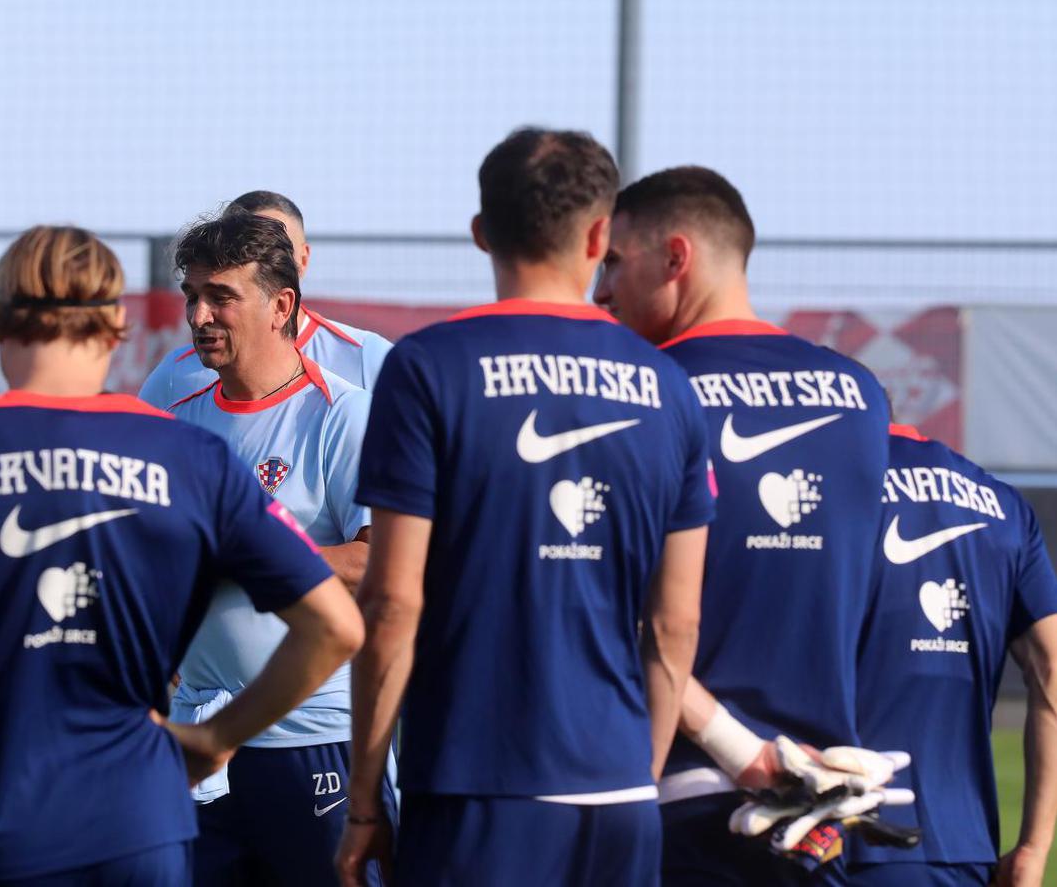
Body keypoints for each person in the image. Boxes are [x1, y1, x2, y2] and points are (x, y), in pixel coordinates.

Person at [0, 225, 363, 886]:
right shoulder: (190, 455)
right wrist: (215, 740)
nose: (198, 314)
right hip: (138, 826)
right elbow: (336, 624)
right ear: (116, 328)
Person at [338, 128, 713, 886]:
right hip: (616, 791)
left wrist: (366, 803)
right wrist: (635, 775)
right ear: (600, 234)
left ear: (481, 233)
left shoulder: (426, 368)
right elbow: (676, 621)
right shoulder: (668, 385)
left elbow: (391, 603)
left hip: (472, 783)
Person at [594, 166, 890, 884]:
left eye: (612, 263)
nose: (599, 291)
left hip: (681, 795)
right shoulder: (862, 395)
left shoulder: (642, 389)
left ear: (675, 257)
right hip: (823, 803)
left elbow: (620, 608)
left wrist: (737, 748)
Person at [148, 209, 382, 885]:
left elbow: (374, 562)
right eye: (192, 295)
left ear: (281, 305)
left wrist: (241, 562)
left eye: (221, 296)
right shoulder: (177, 423)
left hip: (313, 738)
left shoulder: (342, 416)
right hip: (196, 742)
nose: (199, 315)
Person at [846, 421, 1057, 887]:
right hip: (963, 846)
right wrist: (1033, 849)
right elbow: (1052, 665)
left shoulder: (841, 485)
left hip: (831, 833)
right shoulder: (1004, 505)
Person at [140, 191, 391, 406]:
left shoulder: (366, 359)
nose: (200, 316)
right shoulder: (175, 375)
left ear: (302, 260)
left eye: (279, 247)